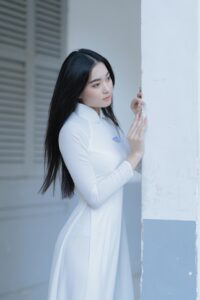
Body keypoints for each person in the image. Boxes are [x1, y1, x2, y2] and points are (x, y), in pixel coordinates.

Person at [40, 48, 147, 300]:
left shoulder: (107, 123)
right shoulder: (72, 131)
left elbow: (133, 167)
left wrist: (138, 118)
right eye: (96, 84)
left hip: (112, 238)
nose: (107, 88)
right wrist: (132, 158)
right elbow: (95, 195)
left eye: (108, 78)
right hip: (87, 243)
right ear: (77, 90)